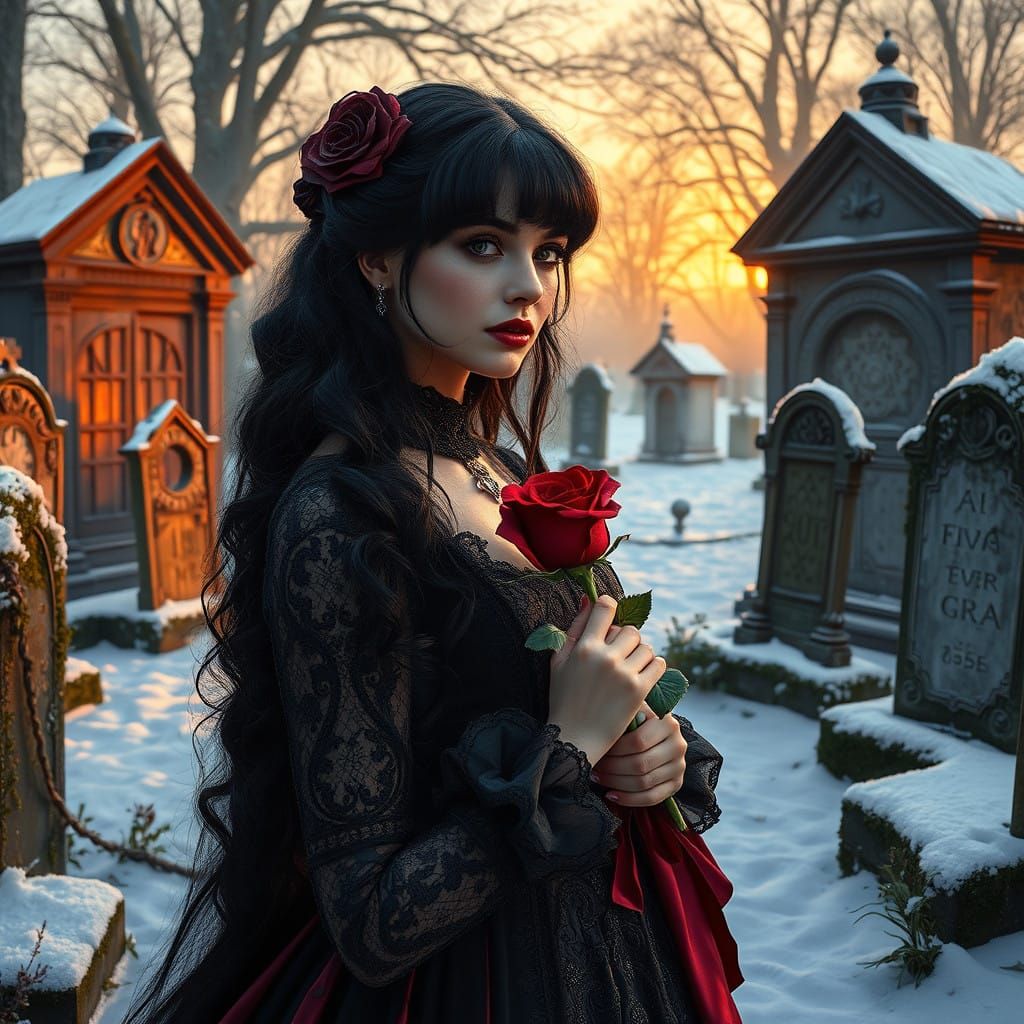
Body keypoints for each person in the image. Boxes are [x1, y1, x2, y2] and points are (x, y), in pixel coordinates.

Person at [122, 82, 742, 1024]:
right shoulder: (339, 516)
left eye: (547, 252)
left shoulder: (489, 466)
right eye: (484, 246)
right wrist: (567, 749)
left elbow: (563, 697)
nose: (530, 285)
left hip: (608, 953)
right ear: (376, 258)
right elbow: (369, 919)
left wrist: (647, 750)